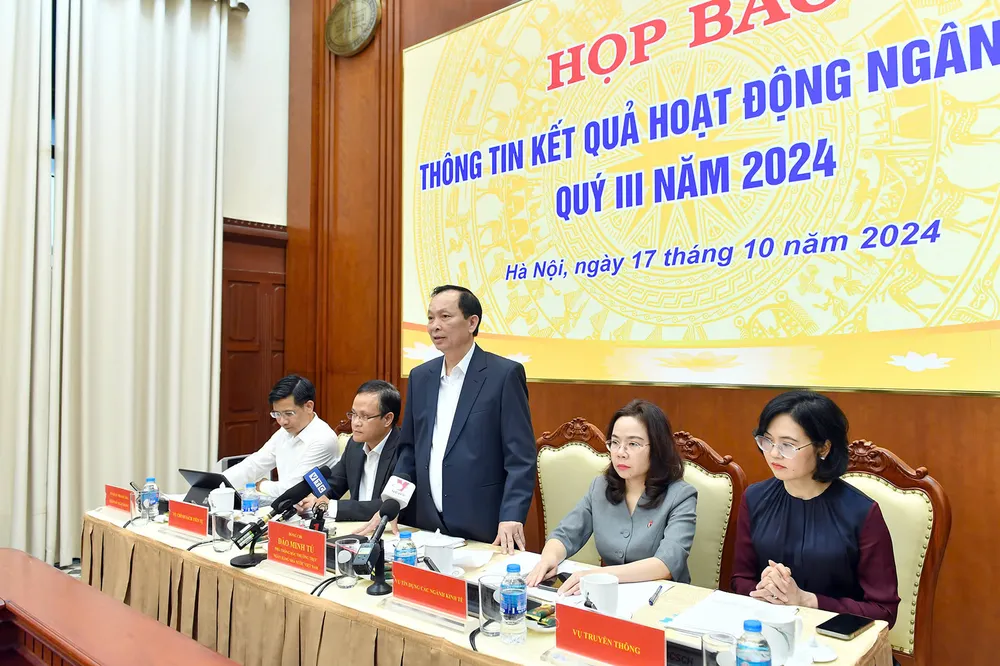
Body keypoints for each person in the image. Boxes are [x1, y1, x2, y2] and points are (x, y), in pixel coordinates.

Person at [365, 285, 536, 552]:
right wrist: (394, 501)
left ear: (472, 322)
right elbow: (409, 450)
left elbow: (520, 457)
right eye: (430, 318)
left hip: (483, 526)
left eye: (445, 317)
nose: (435, 326)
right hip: (426, 523)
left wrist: (512, 514)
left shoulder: (503, 375)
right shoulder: (421, 377)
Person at [730, 390, 900, 626]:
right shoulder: (754, 498)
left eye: (788, 445)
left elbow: (884, 611)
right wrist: (765, 588)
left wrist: (807, 600)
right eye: (767, 441)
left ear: (823, 448)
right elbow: (740, 578)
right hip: (768, 629)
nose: (773, 453)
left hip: (837, 637)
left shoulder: (862, 513)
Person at [525, 400, 698, 594]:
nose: (620, 453)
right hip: (610, 596)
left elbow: (666, 564)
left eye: (633, 444)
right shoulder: (600, 487)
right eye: (615, 442)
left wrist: (596, 576)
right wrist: (548, 559)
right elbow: (565, 534)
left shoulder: (681, 496)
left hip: (662, 598)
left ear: (658, 448)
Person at [295, 380, 403, 521]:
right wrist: (315, 497)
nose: (355, 422)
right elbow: (334, 483)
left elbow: (389, 505)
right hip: (354, 526)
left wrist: (331, 506)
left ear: (387, 419)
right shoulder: (355, 445)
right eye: (353, 414)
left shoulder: (404, 450)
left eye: (364, 416)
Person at [223, 375, 338, 499]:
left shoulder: (323, 439)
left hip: (310, 507)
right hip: (283, 503)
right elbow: (255, 463)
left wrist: (261, 485)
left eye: (289, 413)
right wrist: (220, 483)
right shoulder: (284, 432)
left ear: (309, 406)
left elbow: (294, 489)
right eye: (277, 414)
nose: (282, 421)